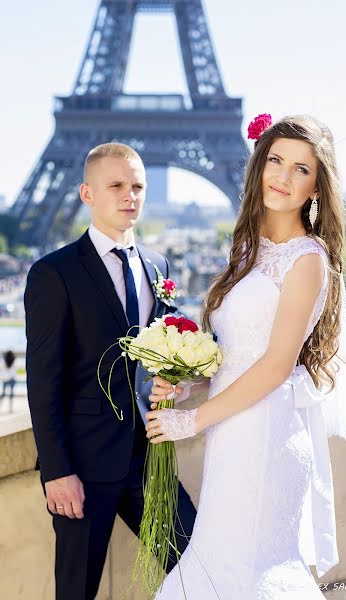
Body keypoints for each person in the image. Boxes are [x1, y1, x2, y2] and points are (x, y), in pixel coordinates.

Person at [146, 114, 346, 599]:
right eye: (276, 161)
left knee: (245, 570)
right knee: (223, 566)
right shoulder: (249, 249)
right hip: (234, 432)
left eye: (301, 169)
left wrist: (193, 420)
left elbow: (274, 366)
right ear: (259, 165)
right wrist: (191, 384)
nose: (284, 178)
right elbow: (235, 354)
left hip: (265, 433)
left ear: (316, 188)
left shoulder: (307, 260)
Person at [24, 143, 196, 600]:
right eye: (116, 185)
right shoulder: (53, 273)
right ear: (86, 193)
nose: (130, 195)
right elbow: (43, 380)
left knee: (200, 568)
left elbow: (164, 349)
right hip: (82, 466)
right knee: (76, 591)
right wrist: (57, 471)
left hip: (148, 462)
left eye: (137, 186)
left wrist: (174, 379)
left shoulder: (158, 266)